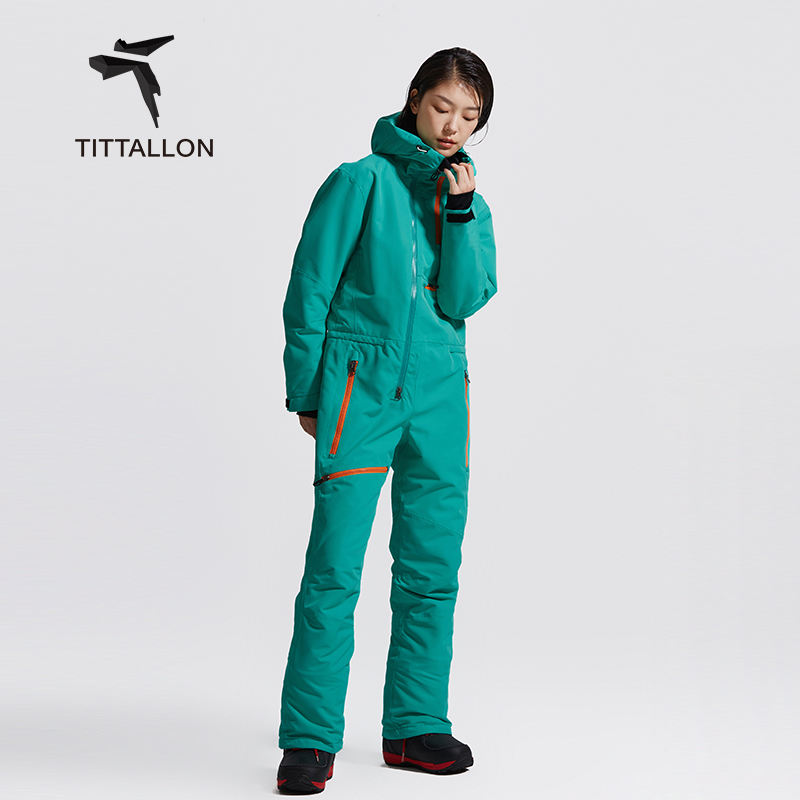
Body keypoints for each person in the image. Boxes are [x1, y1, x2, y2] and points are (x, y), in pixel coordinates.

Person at [277, 47, 497, 794]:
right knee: (334, 570)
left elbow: (465, 300)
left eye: (470, 116)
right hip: (359, 390)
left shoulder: (469, 198)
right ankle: (310, 738)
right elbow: (310, 287)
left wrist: (459, 214)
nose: (453, 126)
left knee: (432, 568)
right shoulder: (360, 181)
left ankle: (413, 725)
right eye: (442, 107)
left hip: (440, 398)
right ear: (414, 98)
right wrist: (308, 392)